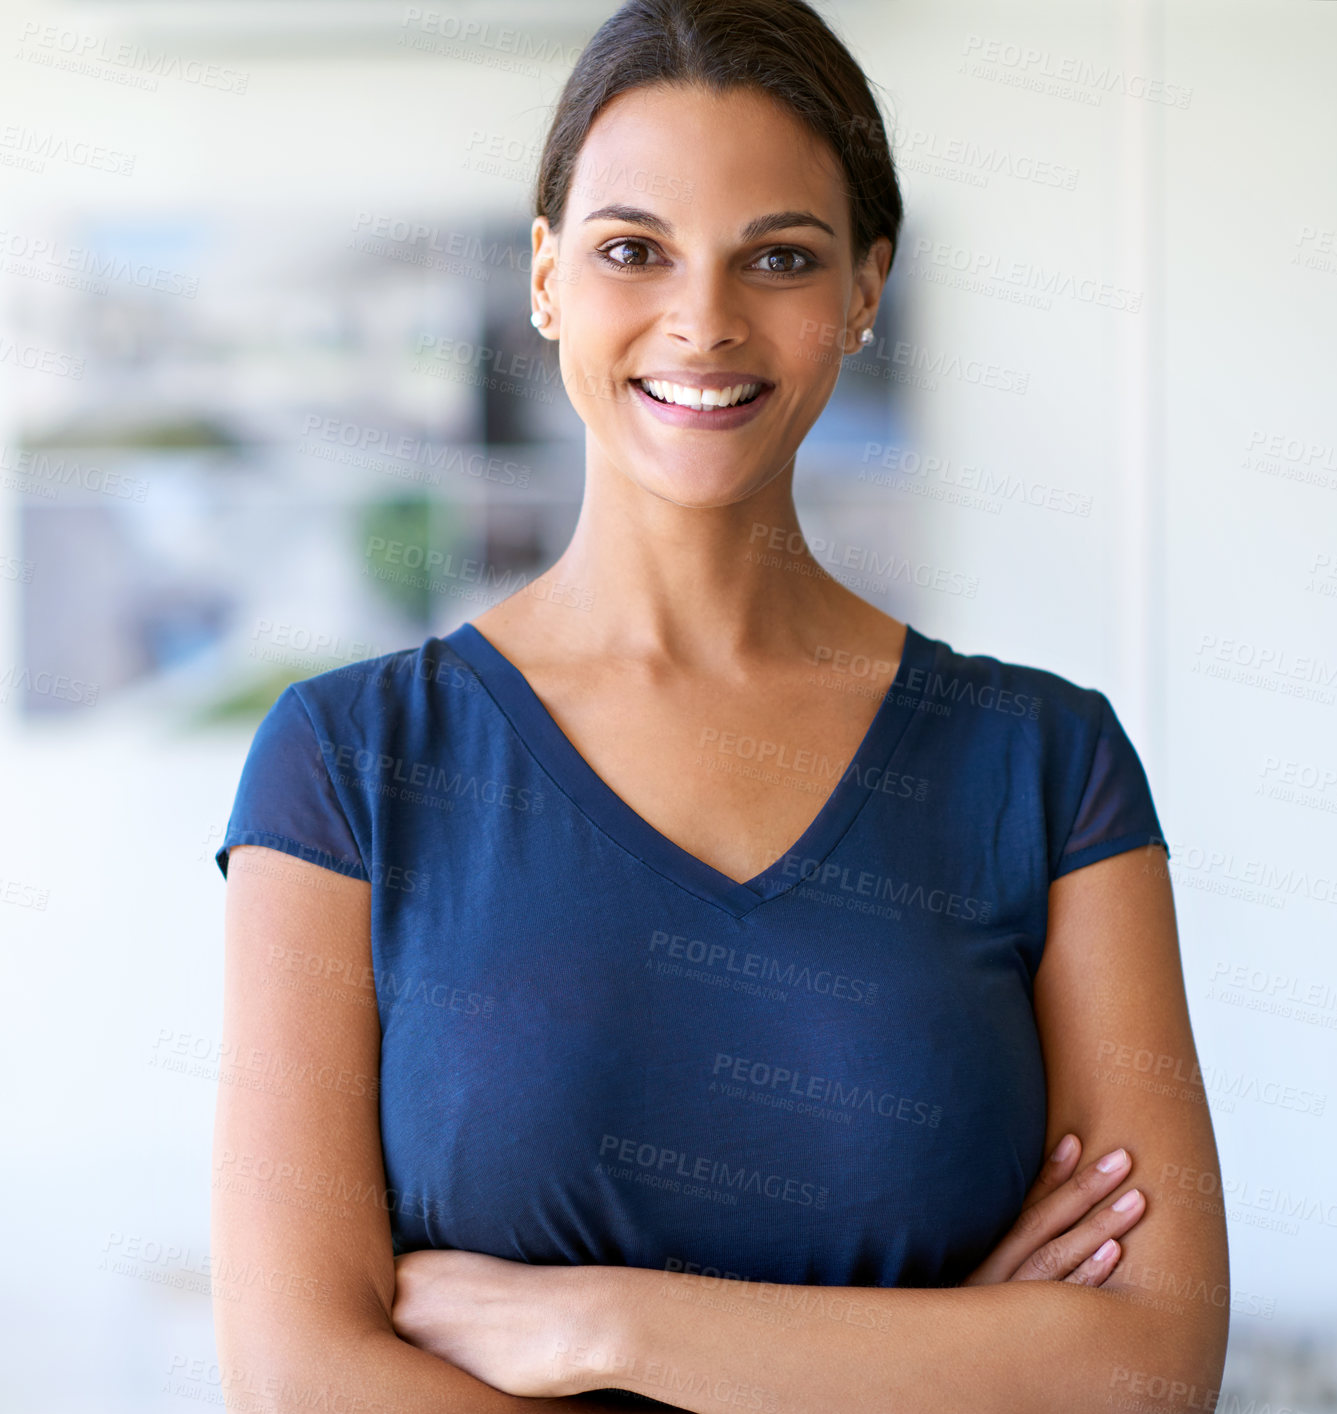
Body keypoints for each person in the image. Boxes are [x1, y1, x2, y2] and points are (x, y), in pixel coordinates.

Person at [211, 2, 1229, 1410]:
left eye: (781, 257)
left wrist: (608, 1330)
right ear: (548, 276)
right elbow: (298, 1378)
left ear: (865, 289)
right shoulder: (350, 765)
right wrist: (949, 1359)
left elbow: (1145, 1366)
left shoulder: (1049, 768)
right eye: (634, 248)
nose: (702, 318)